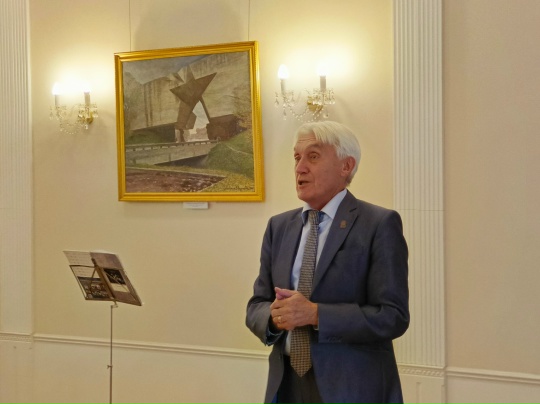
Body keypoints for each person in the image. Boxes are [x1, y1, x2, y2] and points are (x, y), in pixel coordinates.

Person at [246, 121, 409, 404]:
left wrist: (316, 314)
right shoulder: (279, 227)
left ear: (346, 166)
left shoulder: (378, 224)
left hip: (352, 389)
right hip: (287, 385)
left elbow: (393, 317)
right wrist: (274, 317)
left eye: (313, 156)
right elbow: (256, 305)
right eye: (296, 157)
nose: (300, 168)